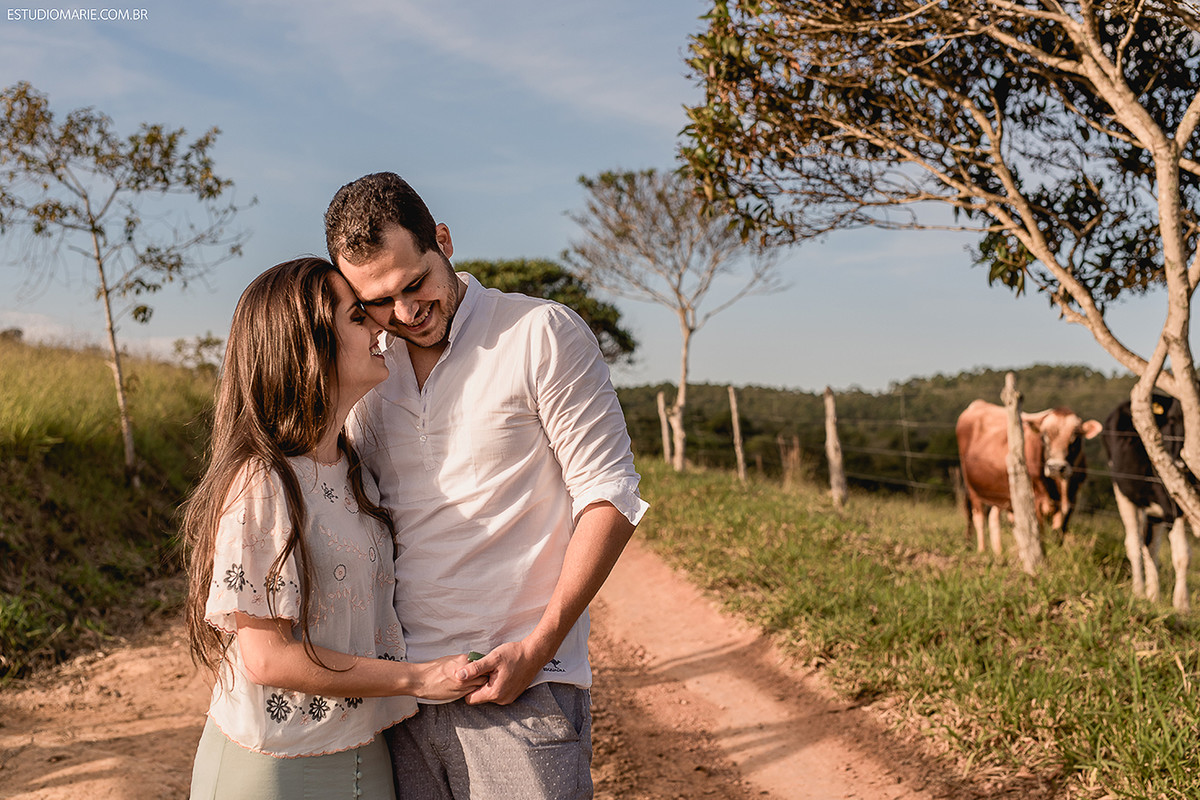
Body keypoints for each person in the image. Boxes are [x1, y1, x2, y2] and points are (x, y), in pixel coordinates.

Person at [323, 172, 649, 799]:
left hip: (521, 687)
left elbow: (610, 495)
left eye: (415, 284)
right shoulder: (368, 368)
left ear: (442, 240)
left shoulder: (539, 334)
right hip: (399, 696)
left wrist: (539, 646)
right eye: (379, 302)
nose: (406, 313)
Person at [181, 257, 486, 800]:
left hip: (367, 752)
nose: (378, 325)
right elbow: (268, 658)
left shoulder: (356, 472)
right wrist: (419, 678)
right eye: (356, 317)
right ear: (307, 347)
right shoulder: (263, 481)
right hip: (274, 766)